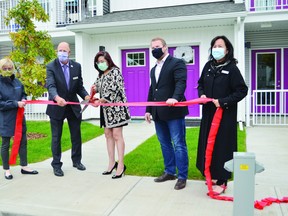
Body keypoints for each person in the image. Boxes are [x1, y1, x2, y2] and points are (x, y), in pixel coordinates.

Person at [196, 35, 248, 195]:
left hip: (224, 115)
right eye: (214, 46)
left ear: (227, 50)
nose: (216, 49)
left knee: (222, 146)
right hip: (208, 113)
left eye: (220, 46)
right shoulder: (208, 66)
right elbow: (200, 84)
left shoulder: (232, 68)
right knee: (207, 143)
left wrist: (223, 101)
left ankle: (222, 179)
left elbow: (241, 90)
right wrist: (202, 95)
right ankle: (210, 173)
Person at [145, 37, 189, 190]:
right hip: (158, 113)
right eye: (152, 48)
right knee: (164, 144)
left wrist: (175, 98)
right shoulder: (153, 69)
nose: (154, 50)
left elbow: (181, 82)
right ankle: (170, 171)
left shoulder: (177, 63)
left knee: (178, 144)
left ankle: (182, 176)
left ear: (165, 47)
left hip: (174, 111)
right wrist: (148, 110)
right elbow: (153, 89)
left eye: (157, 46)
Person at [46, 42, 90, 177]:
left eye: (65, 50)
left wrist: (87, 96)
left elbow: (79, 87)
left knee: (76, 136)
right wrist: (56, 97)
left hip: (73, 107)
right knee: (56, 137)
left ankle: (77, 161)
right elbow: (51, 85)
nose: (62, 52)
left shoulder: (76, 66)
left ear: (69, 53)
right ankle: (56, 165)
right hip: (57, 106)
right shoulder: (50, 66)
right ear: (56, 51)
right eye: (60, 50)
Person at [92, 51, 130, 179]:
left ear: (108, 60)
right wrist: (93, 91)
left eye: (103, 61)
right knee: (107, 134)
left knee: (117, 135)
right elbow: (97, 87)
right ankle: (111, 163)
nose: (101, 64)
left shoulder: (116, 71)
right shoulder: (101, 74)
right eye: (99, 62)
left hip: (117, 109)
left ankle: (121, 165)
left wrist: (101, 100)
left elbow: (114, 89)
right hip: (105, 111)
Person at [0, 57, 38, 180]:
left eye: (9, 68)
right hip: (6, 119)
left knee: (23, 142)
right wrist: (16, 104)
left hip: (19, 117)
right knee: (5, 144)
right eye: (4, 68)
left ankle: (24, 166)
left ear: (13, 69)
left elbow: (23, 93)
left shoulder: (17, 82)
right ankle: (6, 169)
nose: (7, 70)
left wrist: (23, 99)